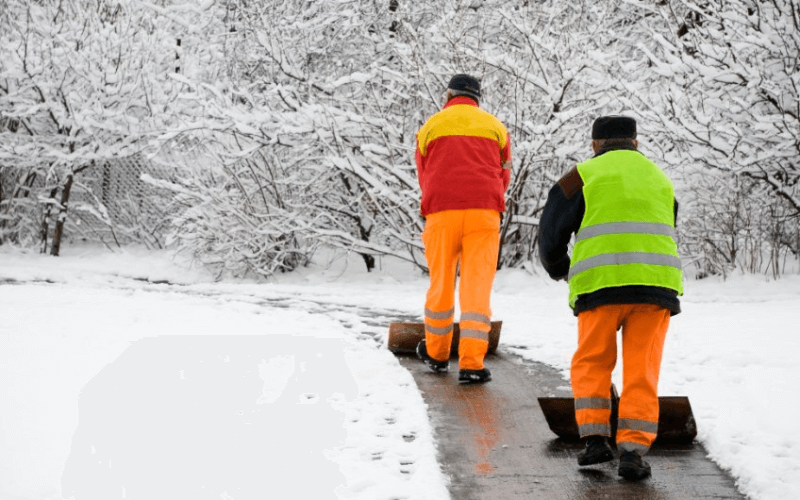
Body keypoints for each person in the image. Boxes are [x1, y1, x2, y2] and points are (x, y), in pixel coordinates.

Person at [538, 116, 683, 480]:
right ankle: (632, 453)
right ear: (635, 143)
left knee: (593, 360)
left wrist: (559, 267)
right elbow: (669, 220)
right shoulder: (659, 178)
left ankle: (595, 440)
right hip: (655, 287)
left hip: (600, 285)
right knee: (642, 368)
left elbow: (551, 227)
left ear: (594, 144)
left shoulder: (581, 175)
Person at [414, 74, 512, 384]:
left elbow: (423, 173)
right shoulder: (496, 127)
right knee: (476, 287)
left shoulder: (431, 126)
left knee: (441, 282)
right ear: (478, 98)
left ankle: (437, 354)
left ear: (448, 95)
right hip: (484, 213)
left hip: (442, 213)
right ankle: (471, 364)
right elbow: (504, 174)